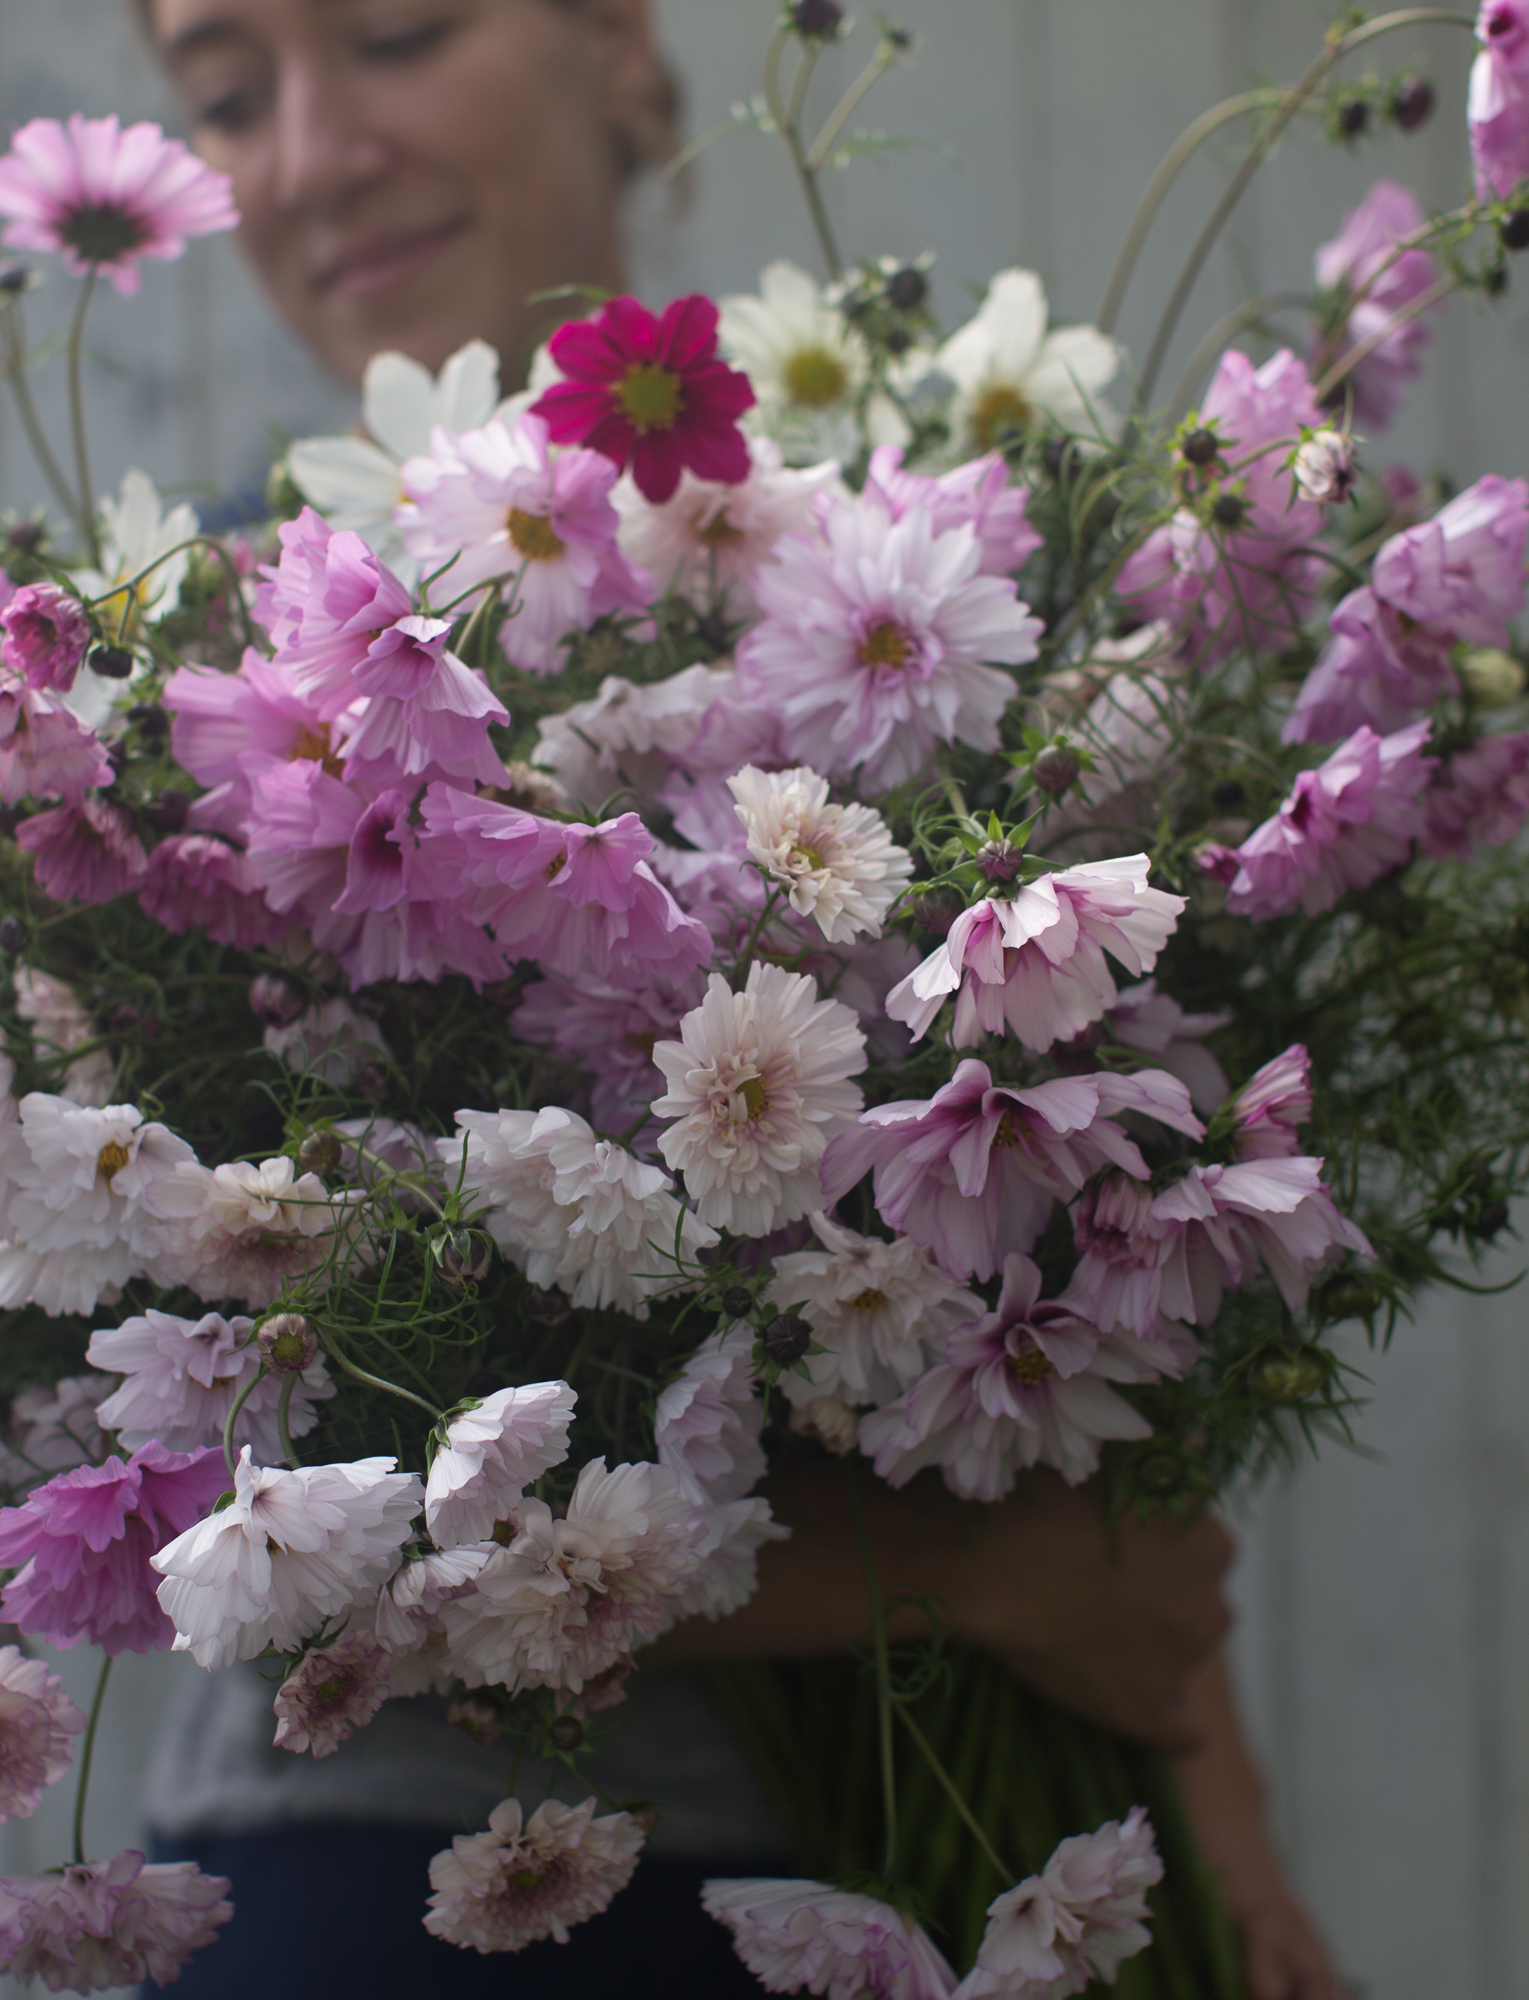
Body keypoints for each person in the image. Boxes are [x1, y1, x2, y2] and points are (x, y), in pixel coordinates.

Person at [132, 3, 1346, 1993]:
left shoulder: (918, 574)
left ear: (615, 41)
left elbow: (1098, 1294)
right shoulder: (233, 716)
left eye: (392, 27)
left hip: (955, 1875)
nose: (303, 150)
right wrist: (969, 1582)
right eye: (219, 94)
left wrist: (1209, 1812)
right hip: (399, 1893)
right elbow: (252, 1542)